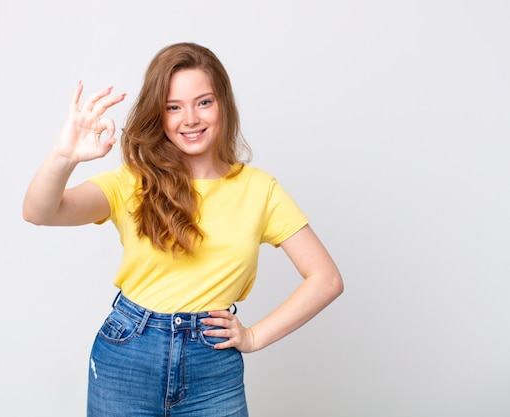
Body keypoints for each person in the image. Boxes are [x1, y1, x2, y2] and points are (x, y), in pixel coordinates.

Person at [23, 42, 343, 417]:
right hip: (127, 356)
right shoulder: (133, 182)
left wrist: (253, 336)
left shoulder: (259, 189)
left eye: (203, 102)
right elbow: (40, 211)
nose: (189, 118)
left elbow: (326, 279)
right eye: (173, 107)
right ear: (159, 115)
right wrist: (63, 158)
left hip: (212, 366)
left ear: (223, 104)